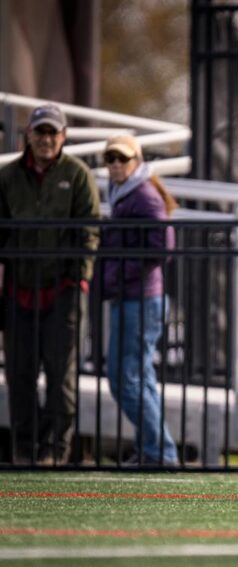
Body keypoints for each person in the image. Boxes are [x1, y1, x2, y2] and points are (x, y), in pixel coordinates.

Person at [0, 103, 101, 465]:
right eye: (39, 132)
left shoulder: (77, 175)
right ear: (28, 135)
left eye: (52, 133)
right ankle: (24, 452)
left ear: (63, 137)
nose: (45, 139)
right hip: (17, 291)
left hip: (63, 290)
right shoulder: (8, 176)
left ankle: (55, 453)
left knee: (62, 378)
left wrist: (81, 280)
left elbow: (90, 230)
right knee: (20, 376)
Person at [100, 134, 179, 466]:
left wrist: (118, 276)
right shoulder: (125, 191)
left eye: (123, 158)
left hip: (140, 299)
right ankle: (155, 451)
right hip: (134, 298)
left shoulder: (143, 195)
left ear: (137, 161)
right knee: (138, 376)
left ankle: (160, 450)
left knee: (123, 378)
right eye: (111, 158)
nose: (117, 164)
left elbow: (162, 246)